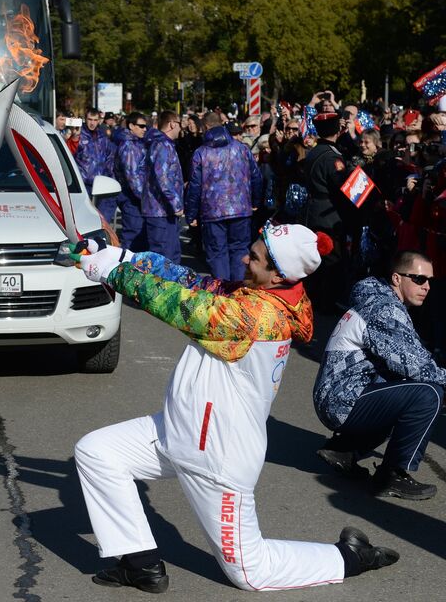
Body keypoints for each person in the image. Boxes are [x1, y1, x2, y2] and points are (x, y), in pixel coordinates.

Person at [71, 222, 398, 594]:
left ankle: (350, 556)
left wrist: (114, 273)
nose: (245, 258)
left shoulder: (259, 319)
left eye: (255, 257)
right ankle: (140, 564)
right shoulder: (255, 296)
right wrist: (125, 257)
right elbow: (192, 282)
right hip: (178, 432)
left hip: (217, 457)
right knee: (97, 453)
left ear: (277, 275)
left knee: (250, 573)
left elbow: (181, 305)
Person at [313, 250, 443, 500]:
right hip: (341, 402)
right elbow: (414, 364)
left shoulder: (379, 298)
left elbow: (412, 357)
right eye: (418, 279)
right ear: (396, 278)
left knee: (404, 386)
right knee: (428, 394)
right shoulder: (385, 310)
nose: (426, 286)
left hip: (339, 395)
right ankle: (392, 474)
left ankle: (344, 450)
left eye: (430, 281)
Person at [185, 111, 262, 281]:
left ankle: (222, 293)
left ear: (205, 127)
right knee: (240, 250)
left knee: (217, 253)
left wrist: (191, 213)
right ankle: (238, 292)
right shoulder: (242, 149)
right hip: (241, 209)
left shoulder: (200, 153)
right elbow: (256, 176)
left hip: (212, 212)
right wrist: (256, 201)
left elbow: (194, 186)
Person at [302, 112, 351, 311]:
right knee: (330, 257)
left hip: (313, 210)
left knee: (316, 256)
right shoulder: (332, 157)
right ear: (337, 130)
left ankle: (314, 297)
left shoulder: (314, 151)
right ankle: (326, 302)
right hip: (328, 214)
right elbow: (341, 186)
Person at [143, 111, 184, 263]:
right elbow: (163, 178)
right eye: (179, 124)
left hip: (164, 211)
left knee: (170, 256)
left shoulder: (163, 144)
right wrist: (176, 204)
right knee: (164, 259)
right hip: (160, 211)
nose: (181, 128)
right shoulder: (162, 145)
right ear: (172, 124)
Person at [112, 112, 148, 251]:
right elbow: (132, 177)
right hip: (131, 198)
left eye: (145, 126)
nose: (144, 129)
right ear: (131, 126)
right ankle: (127, 269)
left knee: (140, 236)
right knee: (133, 237)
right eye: (141, 126)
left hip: (135, 198)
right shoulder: (129, 146)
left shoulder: (136, 143)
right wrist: (145, 198)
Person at [75, 107, 115, 223]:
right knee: (83, 220)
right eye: (90, 119)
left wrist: (109, 176)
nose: (92, 123)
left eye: (95, 120)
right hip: (83, 185)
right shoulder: (79, 135)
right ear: (85, 119)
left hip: (100, 185)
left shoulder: (103, 137)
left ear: (99, 121)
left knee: (100, 220)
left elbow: (110, 157)